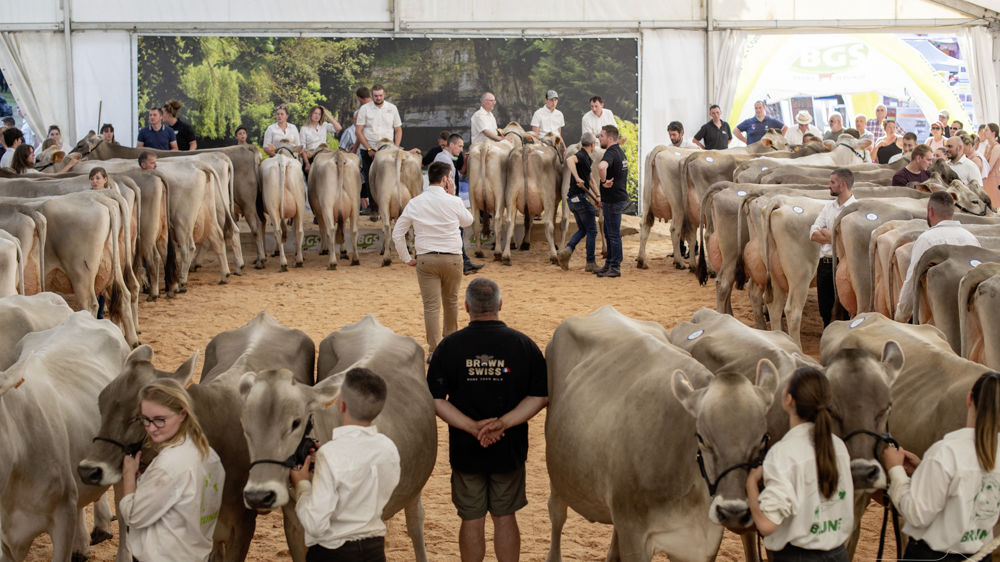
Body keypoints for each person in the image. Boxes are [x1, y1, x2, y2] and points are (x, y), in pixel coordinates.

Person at [427, 277, 548, 562]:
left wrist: (472, 427)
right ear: (500, 305)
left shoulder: (449, 346)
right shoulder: (523, 345)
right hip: (509, 448)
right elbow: (541, 396)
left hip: (466, 448)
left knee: (471, 518)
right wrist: (503, 423)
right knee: (505, 516)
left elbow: (434, 399)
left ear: (466, 307)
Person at [882, 370, 1000, 560]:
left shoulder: (945, 452)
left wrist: (895, 470)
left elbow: (916, 514)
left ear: (969, 399)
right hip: (979, 554)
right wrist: (923, 471)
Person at [290, 367, 400, 562]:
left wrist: (302, 485)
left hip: (333, 553)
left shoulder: (330, 454)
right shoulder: (388, 448)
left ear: (341, 405)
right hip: (374, 551)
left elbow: (315, 523)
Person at [746, 366, 854, 561]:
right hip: (838, 554)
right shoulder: (838, 447)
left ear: (789, 400)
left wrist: (752, 484)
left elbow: (766, 526)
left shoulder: (782, 453)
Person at [119, 379, 225, 562]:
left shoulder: (168, 465)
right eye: (145, 419)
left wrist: (128, 476)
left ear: (183, 414)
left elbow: (133, 515)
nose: (151, 428)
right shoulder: (209, 454)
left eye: (160, 420)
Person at [391, 161, 473, 353]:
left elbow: (397, 233)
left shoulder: (415, 202)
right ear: (445, 179)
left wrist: (406, 257)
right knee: (451, 302)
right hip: (452, 258)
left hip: (426, 258)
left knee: (431, 306)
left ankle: (434, 350)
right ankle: (450, 348)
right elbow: (468, 221)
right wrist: (453, 197)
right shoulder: (453, 201)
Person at [894, 191, 981, 323]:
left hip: (936, 317)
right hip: (967, 317)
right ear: (952, 212)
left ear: (930, 212)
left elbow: (912, 281)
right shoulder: (971, 239)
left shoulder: (927, 240)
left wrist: (901, 317)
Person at [809, 169, 857, 326]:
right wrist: (838, 237)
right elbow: (813, 233)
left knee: (846, 308)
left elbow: (851, 240)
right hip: (826, 264)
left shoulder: (856, 208)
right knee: (825, 309)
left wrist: (828, 235)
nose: (828, 185)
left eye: (832, 182)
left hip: (845, 265)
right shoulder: (828, 206)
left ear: (842, 185)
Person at [433, 134, 482, 275]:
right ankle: (462, 263)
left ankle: (463, 263)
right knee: (456, 230)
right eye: (460, 146)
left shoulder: (445, 158)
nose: (461, 149)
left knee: (456, 231)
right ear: (452, 145)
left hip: (443, 202)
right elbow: (445, 183)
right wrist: (452, 202)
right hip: (444, 202)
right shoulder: (444, 159)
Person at [557, 132, 600, 271]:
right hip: (580, 199)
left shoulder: (587, 159)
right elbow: (569, 160)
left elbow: (591, 179)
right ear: (593, 144)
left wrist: (598, 196)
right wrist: (576, 178)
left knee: (583, 229)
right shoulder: (581, 155)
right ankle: (590, 262)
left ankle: (567, 251)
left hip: (573, 200)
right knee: (592, 231)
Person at [357, 84, 403, 213]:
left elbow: (398, 129)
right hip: (369, 148)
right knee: (370, 178)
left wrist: (396, 147)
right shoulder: (364, 109)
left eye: (380, 95)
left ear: (385, 94)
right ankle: (374, 208)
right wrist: (369, 149)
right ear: (372, 95)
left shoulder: (392, 108)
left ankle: (390, 206)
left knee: (389, 177)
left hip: (388, 148)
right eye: (375, 95)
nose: (378, 98)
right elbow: (358, 131)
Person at [595, 124, 628, 278]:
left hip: (613, 200)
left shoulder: (610, 153)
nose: (599, 138)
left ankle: (615, 266)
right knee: (609, 233)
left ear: (609, 138)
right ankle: (609, 264)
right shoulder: (620, 153)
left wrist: (603, 181)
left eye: (601, 136)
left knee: (613, 234)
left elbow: (601, 167)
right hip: (616, 198)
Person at [983, 123, 1000, 206]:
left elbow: (989, 166)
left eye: (986, 130)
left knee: (993, 204)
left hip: (993, 178)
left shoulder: (996, 147)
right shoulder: (987, 146)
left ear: (993, 133)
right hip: (986, 177)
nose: (984, 132)